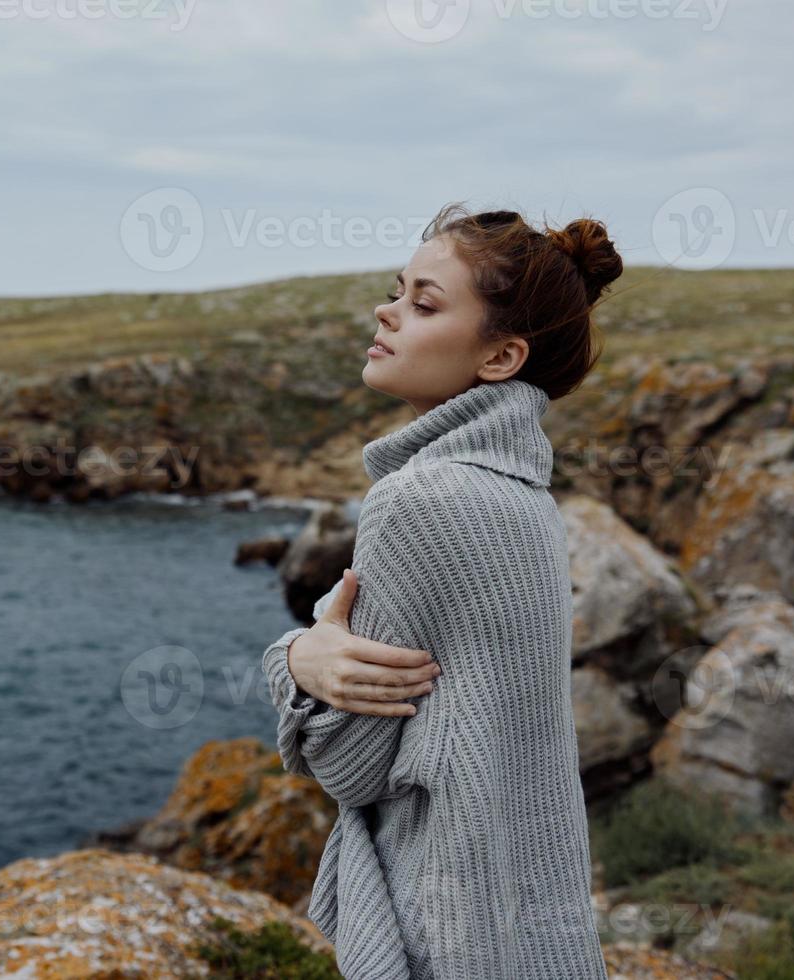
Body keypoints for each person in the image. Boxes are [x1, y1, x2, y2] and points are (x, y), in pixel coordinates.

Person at [261, 203, 622, 979]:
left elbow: (350, 768)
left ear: (499, 358)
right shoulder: (528, 500)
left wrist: (296, 657)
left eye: (425, 303)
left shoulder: (416, 501)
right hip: (535, 933)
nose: (388, 312)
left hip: (446, 933)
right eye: (398, 291)